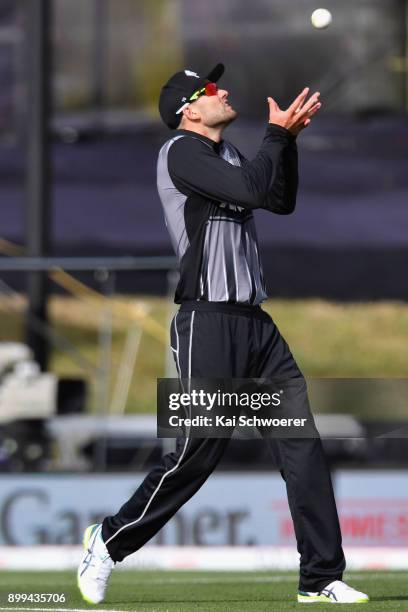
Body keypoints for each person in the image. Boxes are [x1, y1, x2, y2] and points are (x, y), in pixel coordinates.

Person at [77, 63, 369, 605]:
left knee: (301, 446)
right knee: (197, 452)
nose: (223, 91)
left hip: (254, 323)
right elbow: (254, 191)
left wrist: (289, 142)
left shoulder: (230, 153)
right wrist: (276, 136)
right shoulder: (182, 152)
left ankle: (320, 578)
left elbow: (278, 198)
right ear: (189, 109)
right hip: (206, 321)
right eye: (210, 90)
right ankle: (108, 541)